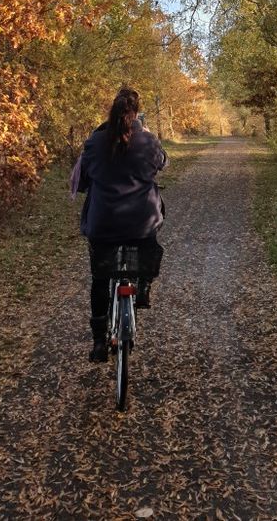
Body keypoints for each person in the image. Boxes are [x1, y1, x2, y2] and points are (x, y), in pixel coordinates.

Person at [76, 87, 167, 363]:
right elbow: (162, 163)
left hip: (103, 225)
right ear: (137, 112)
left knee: (101, 279)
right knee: (149, 247)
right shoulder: (148, 141)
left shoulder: (94, 143)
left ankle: (98, 342)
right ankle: (143, 286)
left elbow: (84, 180)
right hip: (142, 223)